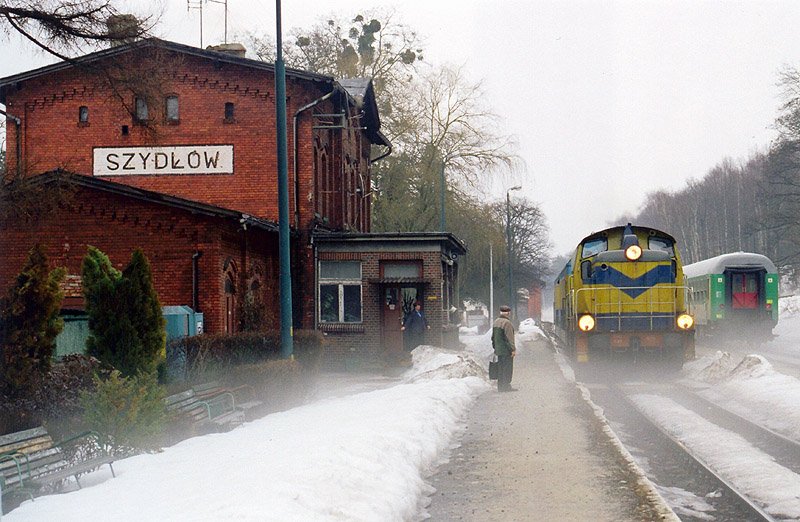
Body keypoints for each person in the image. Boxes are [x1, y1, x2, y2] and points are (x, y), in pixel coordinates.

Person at [492, 305, 517, 392]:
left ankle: (500, 387)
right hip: (506, 350)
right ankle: (506, 386)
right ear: (508, 313)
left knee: (500, 368)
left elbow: (493, 337)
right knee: (507, 368)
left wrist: (495, 347)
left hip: (499, 350)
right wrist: (513, 349)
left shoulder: (496, 322)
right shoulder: (507, 323)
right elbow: (509, 338)